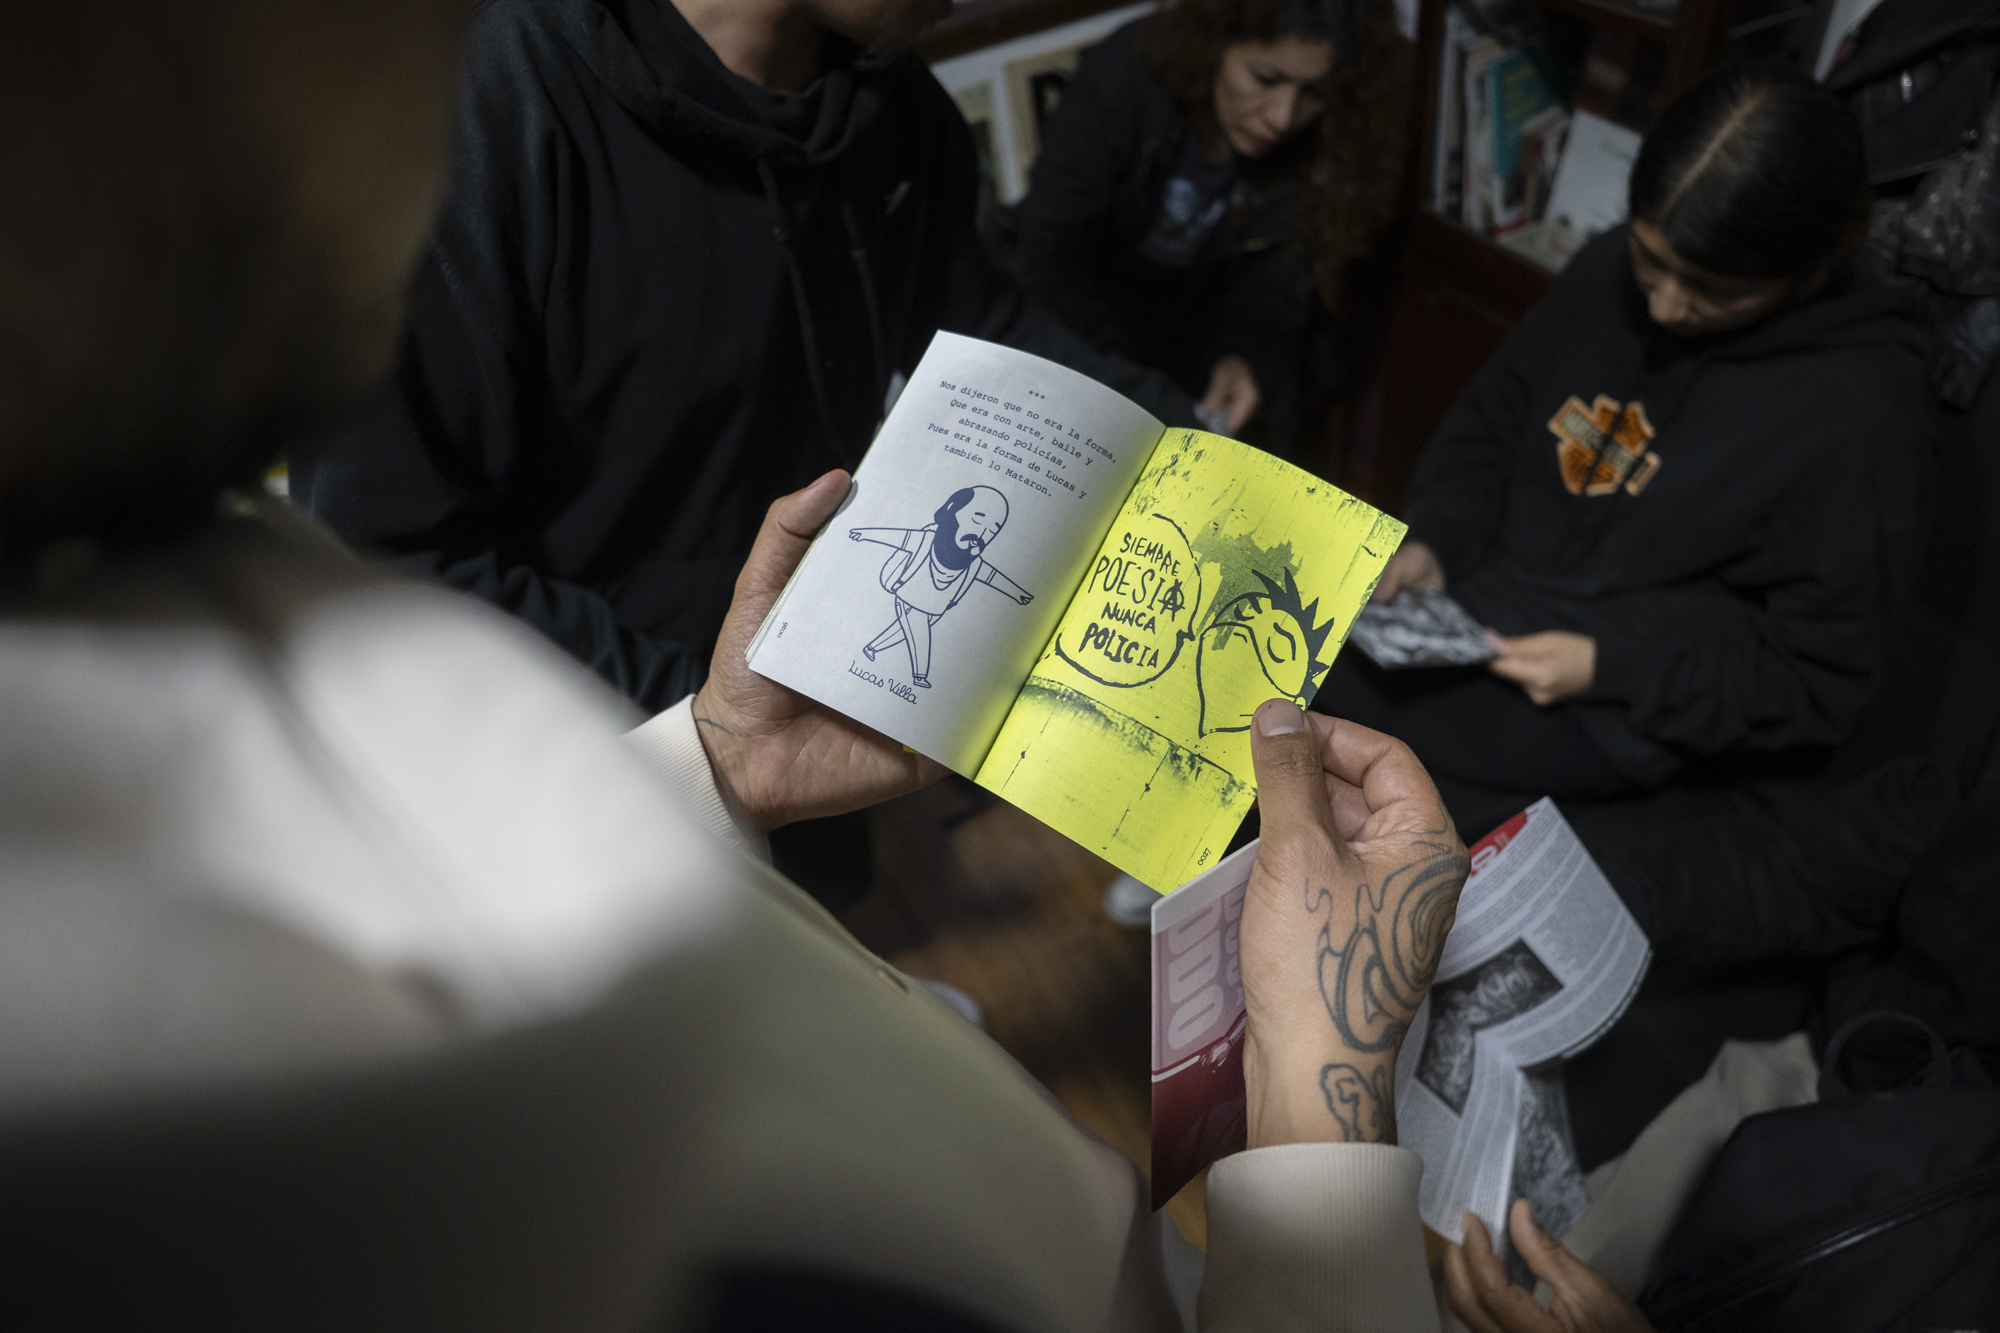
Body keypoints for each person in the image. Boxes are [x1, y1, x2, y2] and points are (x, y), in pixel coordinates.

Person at [2, 2, 1685, 1328]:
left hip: (758, 753)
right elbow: (408, 544)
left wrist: (717, 759)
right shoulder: (384, 1109)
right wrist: (1324, 1106)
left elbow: (981, 335)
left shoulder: (890, 110)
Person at [291, 0, 1199, 717]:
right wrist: (703, 721)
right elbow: (381, 551)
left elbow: (983, 329)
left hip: (804, 714)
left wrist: (1190, 450)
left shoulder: (896, 108)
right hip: (586, 765)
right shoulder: (479, 108)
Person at [1320, 62, 1936, 837]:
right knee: (1282, 661)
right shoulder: (1611, 267)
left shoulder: (1862, 408)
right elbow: (1494, 422)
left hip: (1618, 702)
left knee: (1329, 747)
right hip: (1482, 603)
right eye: (1651, 261)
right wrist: (1439, 537)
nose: (1666, 306)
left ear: (1807, 271)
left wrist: (1610, 668)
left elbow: (1815, 677)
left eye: (1713, 289)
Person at [1000, 0, 1407, 454]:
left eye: (1315, 91)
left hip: (1196, 330)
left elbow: (1277, 285)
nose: (1282, 117)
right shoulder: (1125, 74)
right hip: (1086, 326)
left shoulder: (1329, 139)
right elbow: (1053, 257)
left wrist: (1243, 357)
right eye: (1265, 79)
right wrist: (1137, 387)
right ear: (1214, 42)